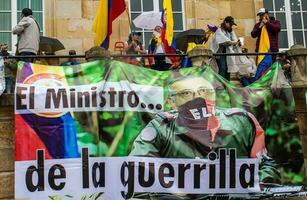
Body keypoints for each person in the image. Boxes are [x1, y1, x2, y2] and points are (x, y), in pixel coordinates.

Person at [130, 76, 280, 188]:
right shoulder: (161, 127)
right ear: (171, 103)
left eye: (204, 91)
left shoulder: (242, 121)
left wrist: (256, 185)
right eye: (186, 93)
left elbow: (266, 165)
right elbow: (137, 170)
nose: (198, 98)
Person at [210, 16, 256, 81]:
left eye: (232, 25)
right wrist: (234, 42)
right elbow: (223, 41)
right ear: (225, 22)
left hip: (228, 53)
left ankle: (227, 85)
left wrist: (238, 43)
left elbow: (234, 41)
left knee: (228, 69)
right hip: (220, 53)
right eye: (230, 24)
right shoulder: (219, 31)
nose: (231, 26)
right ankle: (220, 86)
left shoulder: (230, 32)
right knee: (223, 68)